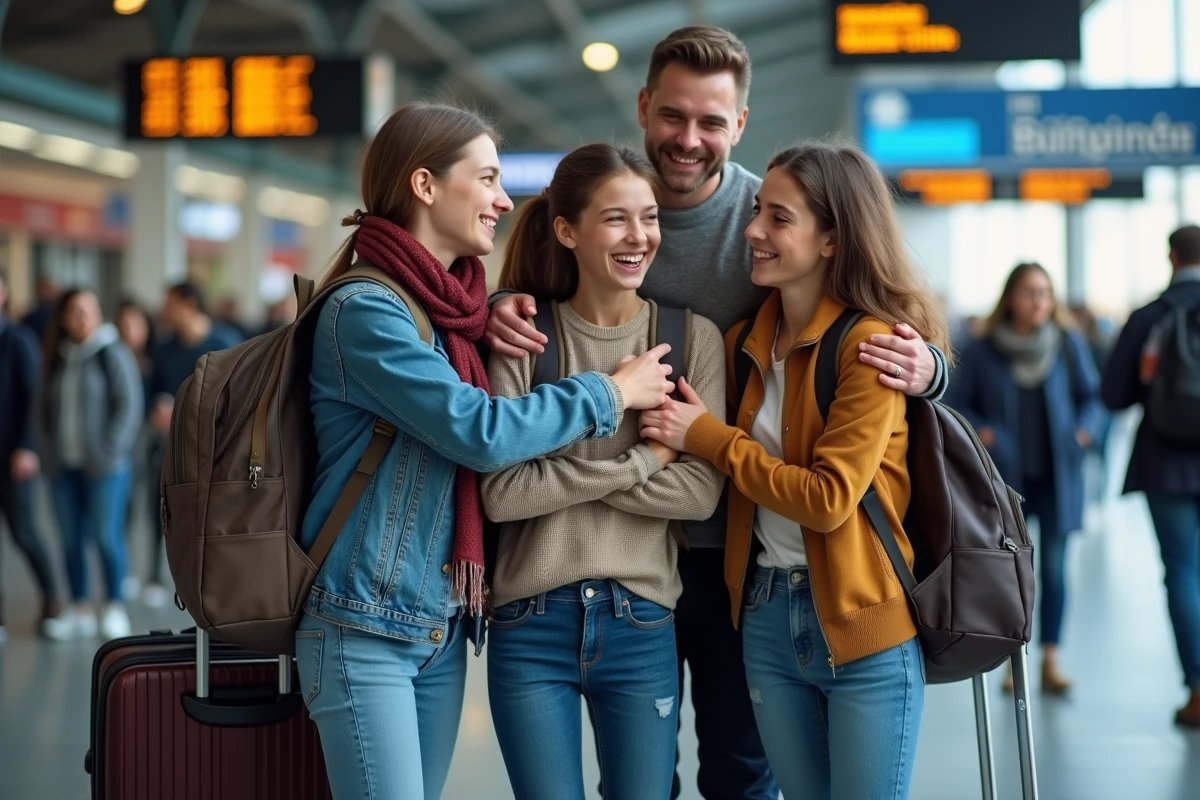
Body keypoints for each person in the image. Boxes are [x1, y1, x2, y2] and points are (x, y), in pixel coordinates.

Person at [483, 25, 949, 799]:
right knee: (645, 781)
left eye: (710, 122)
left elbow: (880, 314)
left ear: (738, 125)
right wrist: (498, 305)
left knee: (738, 768)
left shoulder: (770, 219)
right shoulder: (598, 203)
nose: (688, 139)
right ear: (642, 108)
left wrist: (929, 367)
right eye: (673, 116)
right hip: (633, 552)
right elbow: (538, 298)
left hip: (738, 547)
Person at [292, 102, 678, 800]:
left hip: (437, 623)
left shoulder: (455, 316)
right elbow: (480, 431)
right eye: (489, 178)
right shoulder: (366, 312)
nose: (504, 199)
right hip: (362, 623)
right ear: (425, 186)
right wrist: (610, 395)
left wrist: (490, 312)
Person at [635, 141, 948, 800]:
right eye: (756, 211)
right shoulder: (744, 343)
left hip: (863, 625)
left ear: (831, 239)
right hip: (766, 620)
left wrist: (712, 439)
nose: (752, 231)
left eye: (778, 218)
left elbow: (829, 499)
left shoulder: (871, 347)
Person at [480, 143, 727, 799]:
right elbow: (502, 494)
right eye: (616, 219)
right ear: (567, 230)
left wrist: (557, 469)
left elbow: (700, 492)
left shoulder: (691, 338)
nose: (639, 237)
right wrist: (644, 460)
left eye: (648, 218)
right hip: (529, 623)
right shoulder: (526, 337)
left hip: (642, 621)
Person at [947, 263, 1106, 694]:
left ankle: (1051, 659)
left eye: (1044, 293)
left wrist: (1085, 430)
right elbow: (957, 403)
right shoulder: (981, 349)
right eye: (1029, 292)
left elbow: (1094, 397)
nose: (1038, 301)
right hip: (1005, 483)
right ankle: (1011, 661)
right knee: (1010, 573)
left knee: (1053, 569)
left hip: (1057, 477)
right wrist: (983, 431)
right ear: (1010, 298)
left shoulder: (1068, 344)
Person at [1102, 224, 1200, 727]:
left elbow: (1114, 396)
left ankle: (1199, 690)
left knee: (1182, 571)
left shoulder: (1150, 316)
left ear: (1171, 256)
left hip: (1164, 462)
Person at [37, 288, 144, 640]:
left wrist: (108, 453)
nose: (82, 318)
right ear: (65, 318)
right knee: (70, 540)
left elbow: (129, 408)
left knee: (105, 536)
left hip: (105, 469)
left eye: (89, 310)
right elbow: (42, 411)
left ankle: (113, 605)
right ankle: (79, 607)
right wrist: (47, 453)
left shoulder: (111, 353)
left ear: (99, 314)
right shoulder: (57, 356)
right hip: (63, 467)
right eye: (75, 311)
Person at [143, 281, 242, 605]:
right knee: (162, 508)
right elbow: (152, 390)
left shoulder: (224, 344)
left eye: (170, 302)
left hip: (213, 449)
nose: (164, 309)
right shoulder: (163, 347)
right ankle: (164, 575)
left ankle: (212, 580)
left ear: (188, 305)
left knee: (209, 514)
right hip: (169, 448)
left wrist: (182, 410)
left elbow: (235, 402)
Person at [0, 269, 67, 642]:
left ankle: (52, 598)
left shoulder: (19, 340)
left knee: (24, 532)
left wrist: (28, 446)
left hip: (15, 458)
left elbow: (35, 400)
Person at [115, 299, 156, 601]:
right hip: (122, 446)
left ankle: (154, 574)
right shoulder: (111, 358)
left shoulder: (155, 358)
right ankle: (125, 570)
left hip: (153, 442)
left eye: (136, 323)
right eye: (124, 324)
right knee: (125, 509)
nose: (130, 330)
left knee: (156, 508)